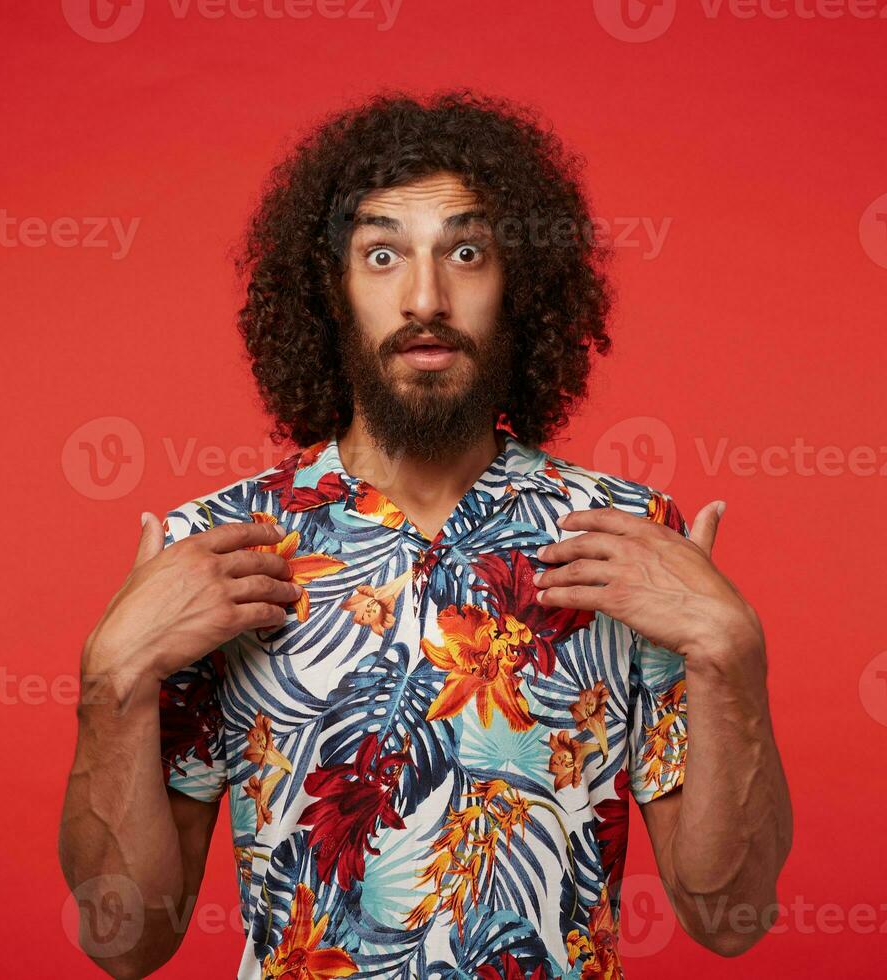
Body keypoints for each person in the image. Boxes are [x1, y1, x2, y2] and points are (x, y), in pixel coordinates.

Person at [58, 89, 791, 980]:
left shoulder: (628, 542)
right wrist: (112, 679)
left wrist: (732, 653)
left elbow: (729, 915)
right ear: (330, 293)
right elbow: (124, 941)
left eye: (468, 253)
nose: (425, 297)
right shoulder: (222, 548)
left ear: (519, 287)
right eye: (381, 255)